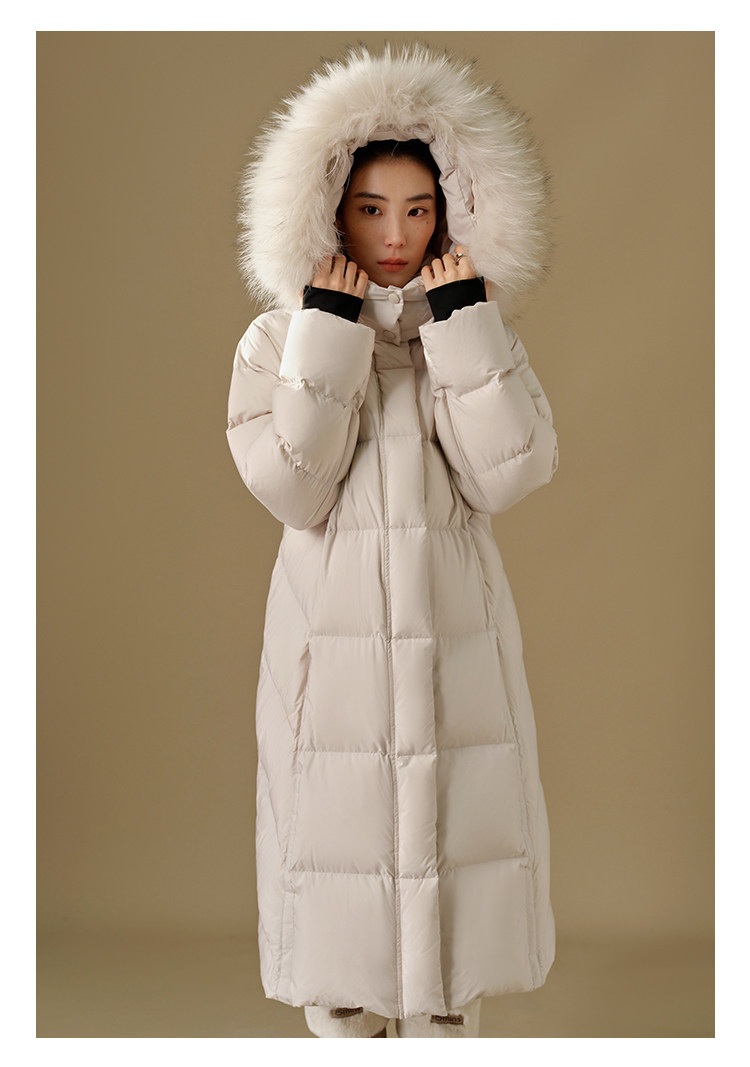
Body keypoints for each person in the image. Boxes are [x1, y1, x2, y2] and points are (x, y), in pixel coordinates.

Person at [225, 44, 559, 1039]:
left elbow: (510, 471)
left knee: (453, 894)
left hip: (457, 644)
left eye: (419, 209)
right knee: (340, 879)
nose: (397, 234)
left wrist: (462, 326)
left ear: (449, 213)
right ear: (332, 212)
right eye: (372, 208)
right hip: (333, 658)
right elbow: (293, 486)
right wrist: (330, 329)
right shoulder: (274, 341)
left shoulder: (472, 330)